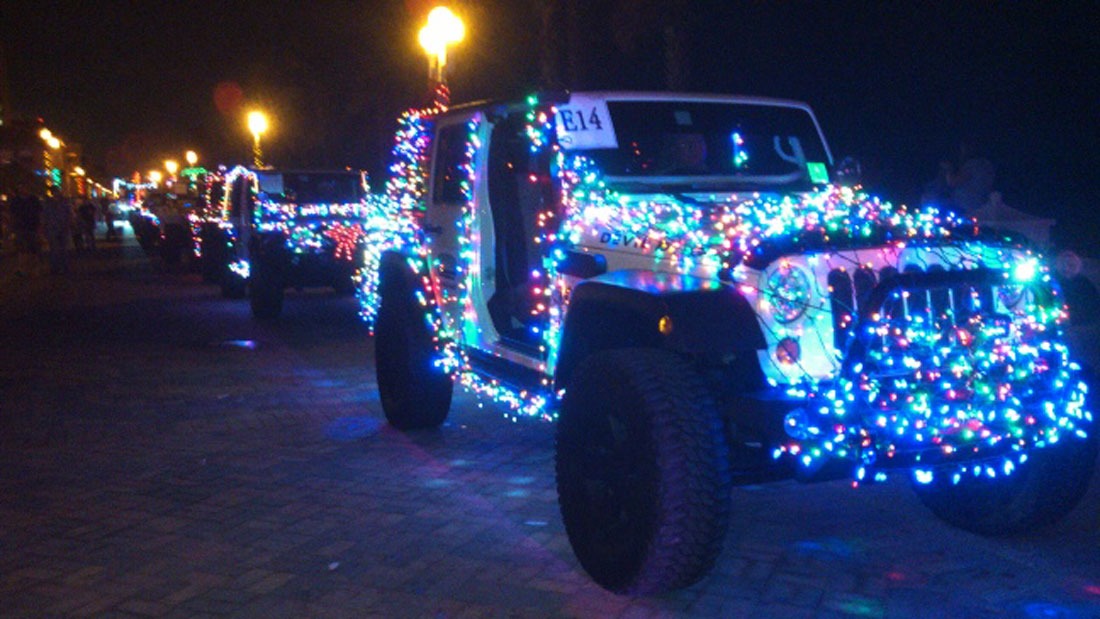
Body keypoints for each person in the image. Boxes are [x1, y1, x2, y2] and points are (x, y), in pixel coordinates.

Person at [10, 187, 43, 276]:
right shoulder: (16, 201)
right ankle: (23, 269)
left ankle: (34, 269)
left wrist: (40, 226)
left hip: (32, 226)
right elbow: (12, 214)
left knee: (33, 249)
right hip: (21, 227)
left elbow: (40, 212)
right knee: (22, 249)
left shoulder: (33, 200)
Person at [41, 193, 71, 274]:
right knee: (59, 249)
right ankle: (60, 267)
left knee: (57, 249)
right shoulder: (63, 205)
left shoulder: (49, 206)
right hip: (57, 229)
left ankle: (58, 267)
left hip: (56, 229)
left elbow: (45, 217)